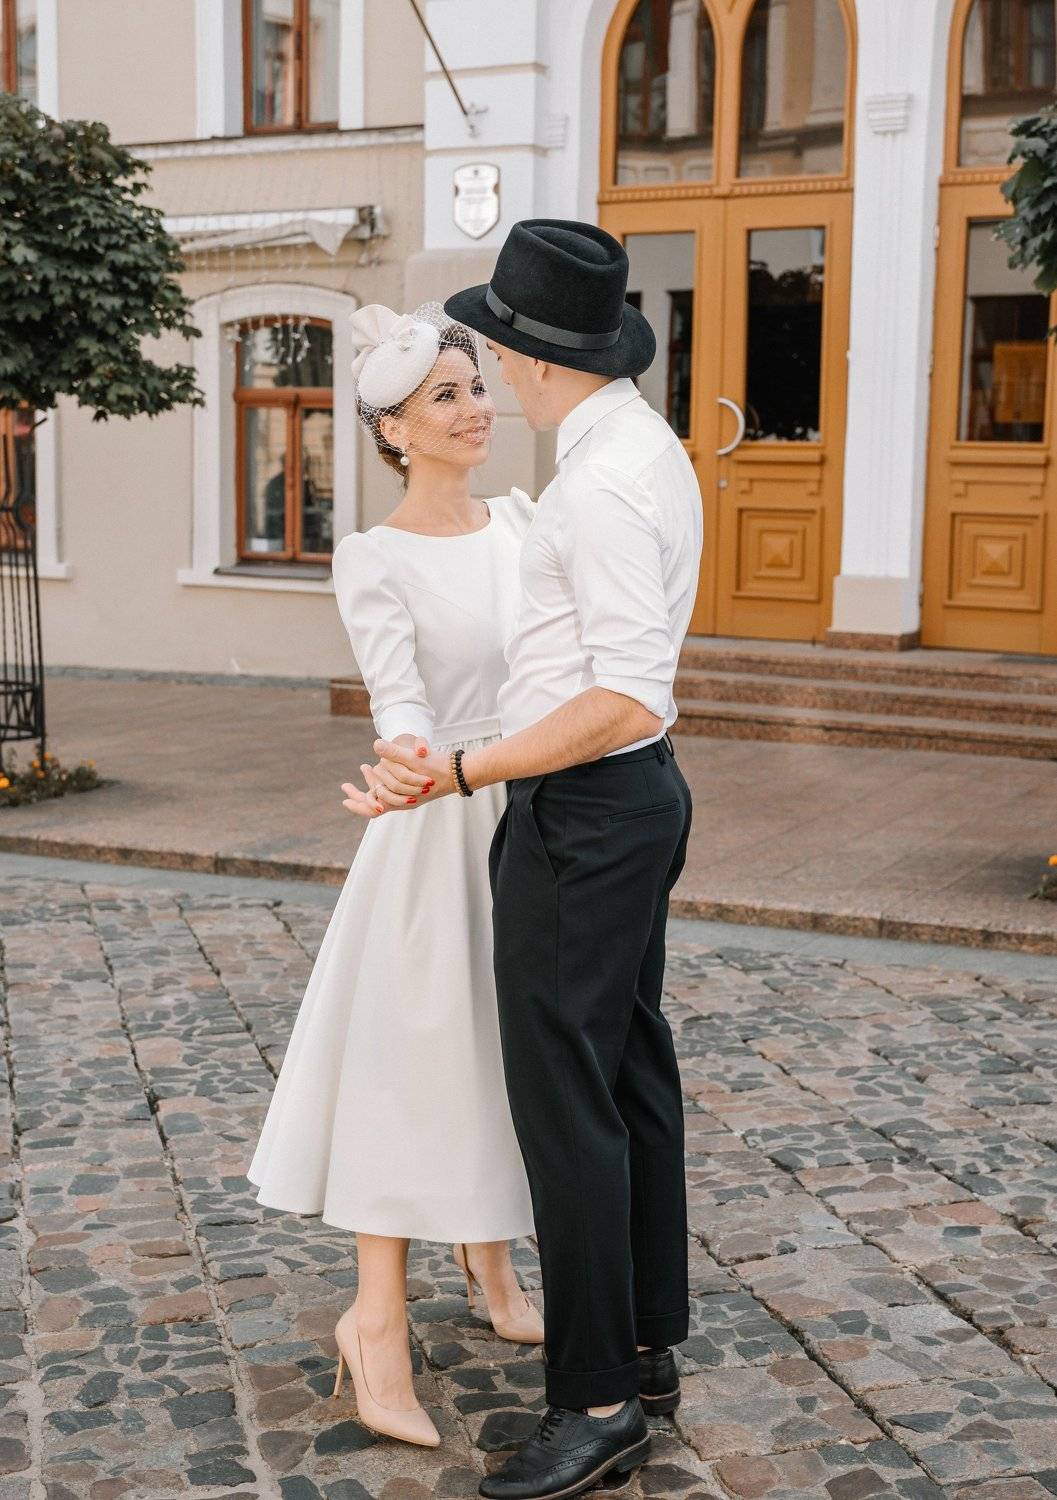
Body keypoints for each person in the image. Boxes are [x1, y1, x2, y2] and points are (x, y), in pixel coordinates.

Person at [343, 222, 703, 1499]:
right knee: (631, 1072)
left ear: (530, 355)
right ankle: (646, 1346)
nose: (486, 376)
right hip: (629, 800)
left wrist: (463, 771)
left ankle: (598, 1399)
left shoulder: (594, 484)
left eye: (490, 355)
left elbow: (624, 694)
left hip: (587, 803)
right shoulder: (637, 446)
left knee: (567, 1104)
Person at [247, 303, 542, 1452]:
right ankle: (374, 1322)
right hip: (435, 822)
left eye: (474, 388)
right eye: (444, 398)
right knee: (415, 1061)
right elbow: (399, 692)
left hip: (533, 812)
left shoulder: (523, 522)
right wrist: (409, 759)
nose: (474, 411)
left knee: (513, 1047)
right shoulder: (375, 555)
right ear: (392, 431)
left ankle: (490, 1260)